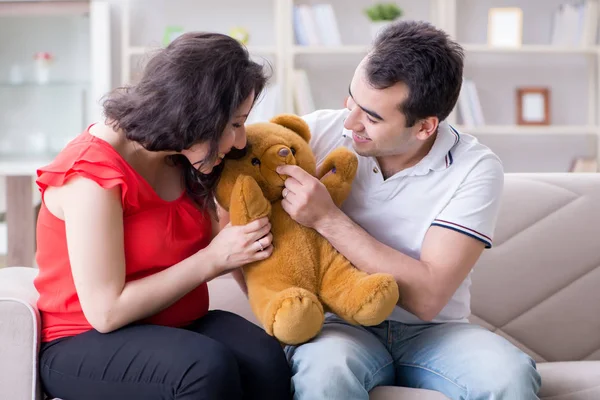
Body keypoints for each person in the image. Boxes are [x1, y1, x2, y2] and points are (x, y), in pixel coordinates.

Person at [277, 21, 542, 399]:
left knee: (509, 377)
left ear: (424, 127)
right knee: (325, 373)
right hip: (340, 323)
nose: (349, 123)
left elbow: (427, 296)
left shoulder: (475, 168)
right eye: (351, 99)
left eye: (371, 117)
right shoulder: (318, 132)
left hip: (433, 333)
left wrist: (326, 219)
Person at [34, 32, 291, 400]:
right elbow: (106, 312)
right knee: (204, 368)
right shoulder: (91, 173)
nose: (240, 140)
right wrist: (213, 259)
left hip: (176, 325)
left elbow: (232, 239)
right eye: (234, 123)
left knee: (265, 360)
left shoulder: (185, 156)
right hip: (83, 340)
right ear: (197, 113)